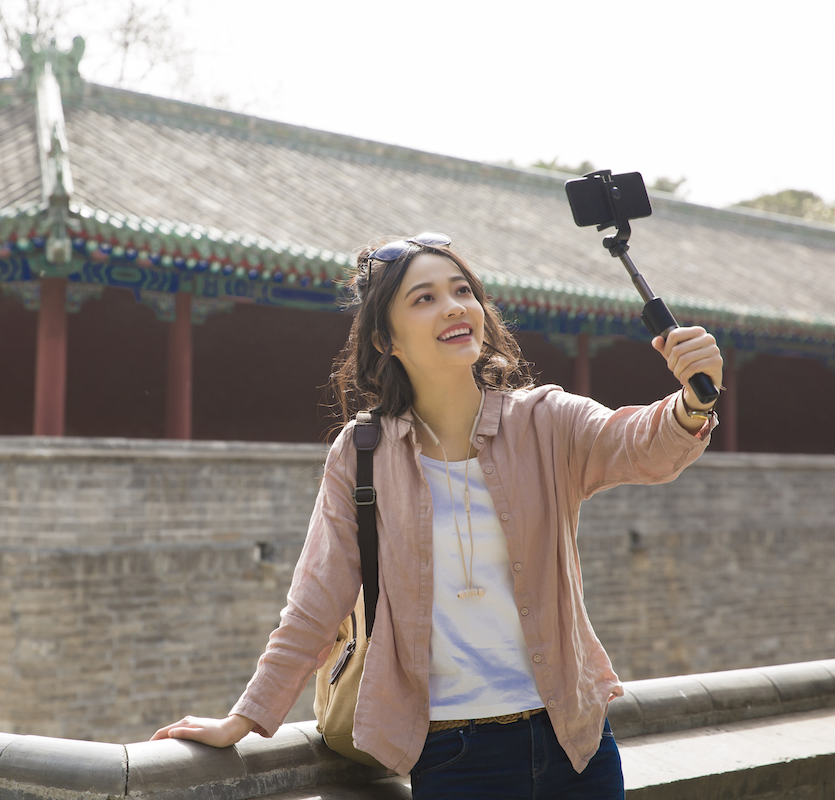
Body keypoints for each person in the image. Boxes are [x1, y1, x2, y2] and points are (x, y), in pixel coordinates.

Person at [153, 233, 722, 799]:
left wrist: (693, 402)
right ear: (385, 338)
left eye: (463, 291)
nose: (454, 306)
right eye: (424, 298)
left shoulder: (546, 422)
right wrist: (246, 718)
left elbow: (643, 445)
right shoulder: (363, 452)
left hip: (576, 744)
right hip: (454, 756)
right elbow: (316, 602)